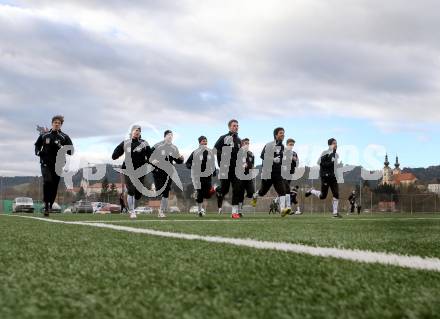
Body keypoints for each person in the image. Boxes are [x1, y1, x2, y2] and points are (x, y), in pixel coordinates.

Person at [34, 115, 74, 217]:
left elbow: (71, 151)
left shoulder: (64, 137)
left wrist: (60, 146)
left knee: (54, 186)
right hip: (45, 163)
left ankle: (50, 205)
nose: (56, 124)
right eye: (55, 122)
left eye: (59, 123)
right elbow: (37, 145)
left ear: (61, 125)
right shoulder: (44, 135)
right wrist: (38, 152)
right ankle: (46, 205)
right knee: (47, 181)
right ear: (52, 123)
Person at [112, 125, 152, 219]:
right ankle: (132, 211)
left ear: (140, 133)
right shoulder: (126, 142)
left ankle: (133, 201)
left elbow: (150, 155)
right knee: (131, 190)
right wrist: (115, 154)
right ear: (132, 132)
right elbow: (117, 151)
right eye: (135, 130)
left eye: (138, 130)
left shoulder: (144, 143)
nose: (137, 131)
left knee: (138, 192)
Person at [252, 127, 291, 217]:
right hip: (267, 172)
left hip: (277, 173)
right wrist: (273, 159)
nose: (283, 134)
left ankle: (282, 210)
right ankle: (255, 195)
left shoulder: (282, 147)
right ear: (276, 135)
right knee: (262, 192)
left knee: (282, 191)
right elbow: (262, 156)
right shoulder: (269, 145)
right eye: (281, 133)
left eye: (283, 133)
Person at [150, 130, 184, 218]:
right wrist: (152, 161)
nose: (170, 136)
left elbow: (178, 160)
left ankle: (161, 211)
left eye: (171, 135)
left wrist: (181, 159)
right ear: (164, 136)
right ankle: (155, 190)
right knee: (160, 190)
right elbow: (148, 155)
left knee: (165, 192)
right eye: (168, 135)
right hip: (158, 171)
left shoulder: (174, 148)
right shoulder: (157, 145)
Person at [305, 138, 342, 218]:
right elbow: (319, 162)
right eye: (334, 143)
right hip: (325, 176)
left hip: (333, 176)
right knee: (323, 196)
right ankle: (312, 191)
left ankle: (335, 213)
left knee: (336, 193)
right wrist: (330, 163)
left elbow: (334, 166)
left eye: (336, 143)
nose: (336, 145)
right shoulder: (325, 153)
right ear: (330, 145)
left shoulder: (336, 154)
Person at [214, 119, 242, 219]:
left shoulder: (239, 140)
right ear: (229, 127)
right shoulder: (223, 138)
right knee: (224, 190)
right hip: (225, 168)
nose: (236, 127)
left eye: (237, 125)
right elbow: (215, 149)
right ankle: (217, 189)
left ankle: (234, 212)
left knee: (237, 188)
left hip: (236, 169)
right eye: (234, 125)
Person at [186, 136, 216, 217]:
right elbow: (187, 163)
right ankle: (199, 211)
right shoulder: (195, 152)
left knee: (208, 195)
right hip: (198, 176)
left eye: (206, 141)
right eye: (203, 141)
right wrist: (192, 166)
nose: (205, 142)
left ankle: (214, 189)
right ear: (199, 142)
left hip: (208, 176)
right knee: (200, 193)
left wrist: (214, 171)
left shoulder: (210, 152)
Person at [237, 138, 255, 217]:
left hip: (248, 176)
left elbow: (252, 164)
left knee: (251, 192)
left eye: (248, 143)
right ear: (242, 144)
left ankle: (244, 195)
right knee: (240, 194)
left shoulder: (251, 154)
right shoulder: (238, 153)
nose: (247, 144)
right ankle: (239, 211)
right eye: (245, 143)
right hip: (240, 176)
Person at [283, 138, 299, 215]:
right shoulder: (283, 152)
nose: (291, 146)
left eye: (292, 145)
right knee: (286, 189)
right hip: (282, 173)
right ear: (287, 144)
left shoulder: (294, 153)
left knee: (285, 190)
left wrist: (294, 160)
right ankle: (287, 207)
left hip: (290, 173)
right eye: (290, 144)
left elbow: (296, 164)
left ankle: (285, 207)